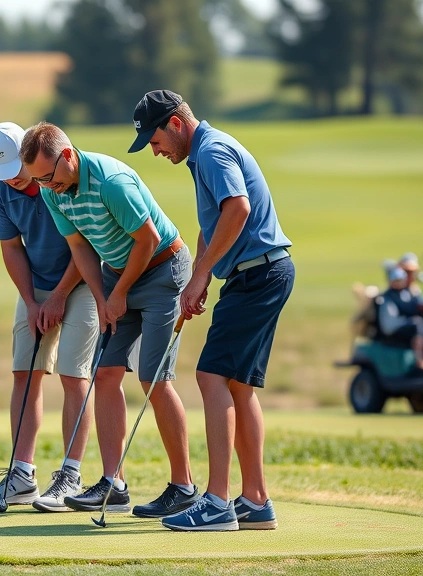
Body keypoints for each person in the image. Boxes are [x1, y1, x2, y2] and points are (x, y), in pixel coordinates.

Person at [129, 89, 293, 531]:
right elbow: (213, 226)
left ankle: (218, 502)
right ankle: (255, 500)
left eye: (156, 140)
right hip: (259, 273)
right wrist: (199, 274)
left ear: (176, 124)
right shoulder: (202, 155)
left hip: (258, 274)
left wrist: (202, 276)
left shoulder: (214, 151)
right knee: (238, 386)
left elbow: (237, 209)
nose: (156, 150)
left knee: (210, 376)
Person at [19, 122, 199, 519]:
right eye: (39, 181)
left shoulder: (110, 182)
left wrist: (118, 294)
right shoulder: (54, 191)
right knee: (105, 373)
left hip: (163, 271)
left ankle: (184, 487)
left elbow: (148, 239)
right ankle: (113, 484)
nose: (46, 187)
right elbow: (80, 247)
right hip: (119, 275)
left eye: (48, 177)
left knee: (153, 377)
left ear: (67, 156)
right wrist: (103, 297)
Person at [0, 122, 99, 512]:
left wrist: (59, 296)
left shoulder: (57, 182)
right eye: (3, 172)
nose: (11, 179)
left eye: (17, 168)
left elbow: (86, 246)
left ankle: (70, 476)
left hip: (84, 280)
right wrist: (31, 301)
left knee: (73, 373)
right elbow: (11, 247)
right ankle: (21, 475)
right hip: (38, 287)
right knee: (24, 372)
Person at [378, 267, 423, 371]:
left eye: (401, 280)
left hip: (399, 323)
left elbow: (410, 307)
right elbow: (404, 309)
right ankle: (420, 359)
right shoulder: (388, 297)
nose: (399, 282)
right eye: (397, 280)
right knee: (417, 324)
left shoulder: (403, 294)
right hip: (392, 327)